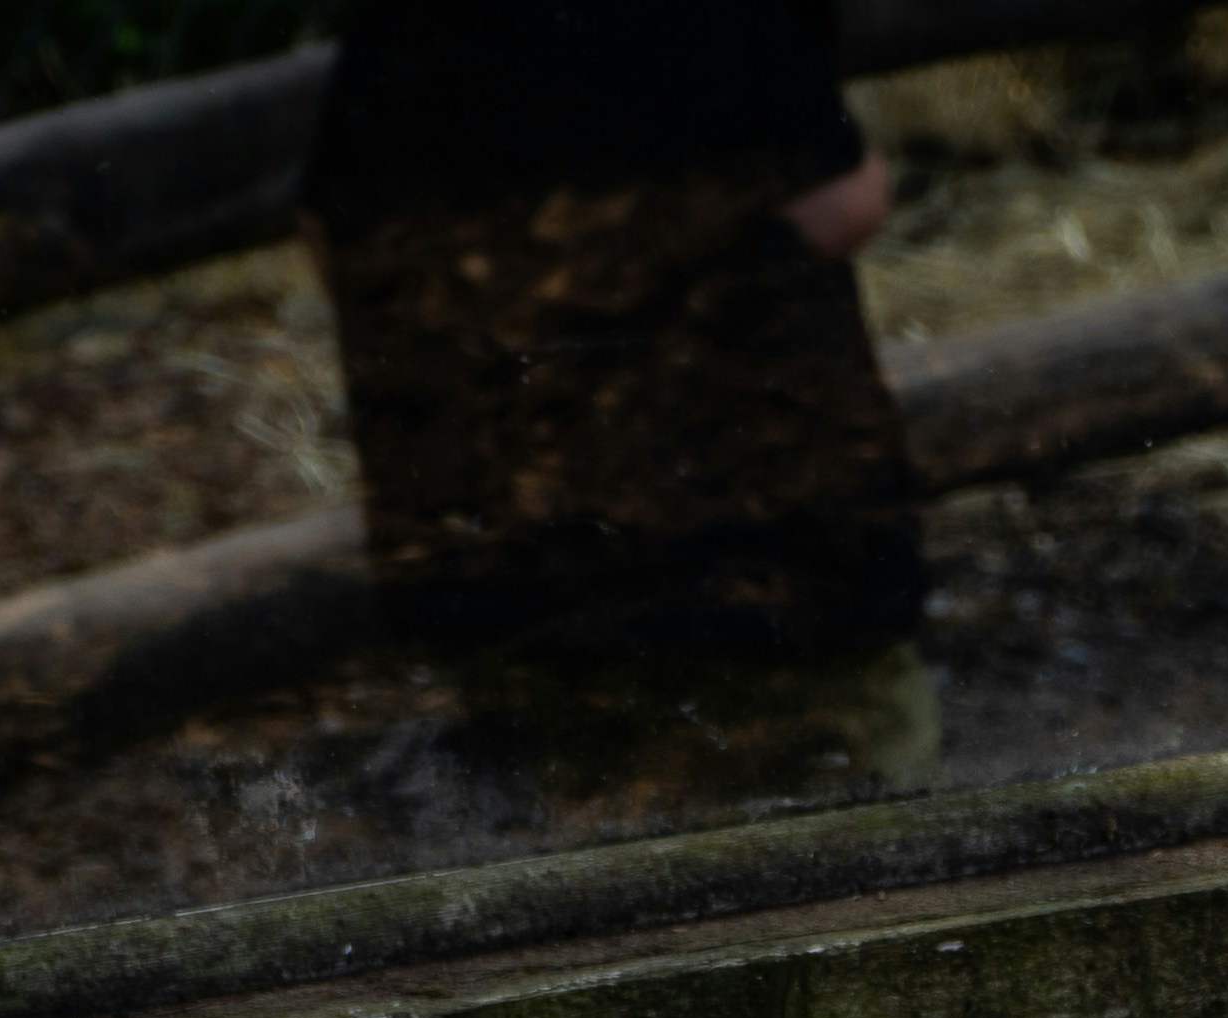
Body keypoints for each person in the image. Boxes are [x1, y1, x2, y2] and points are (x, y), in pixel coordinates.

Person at [298, 0, 936, 787]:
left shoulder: (409, 34)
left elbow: (337, 241)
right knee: (859, 824)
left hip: (501, 581)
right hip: (762, 569)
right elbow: (841, 203)